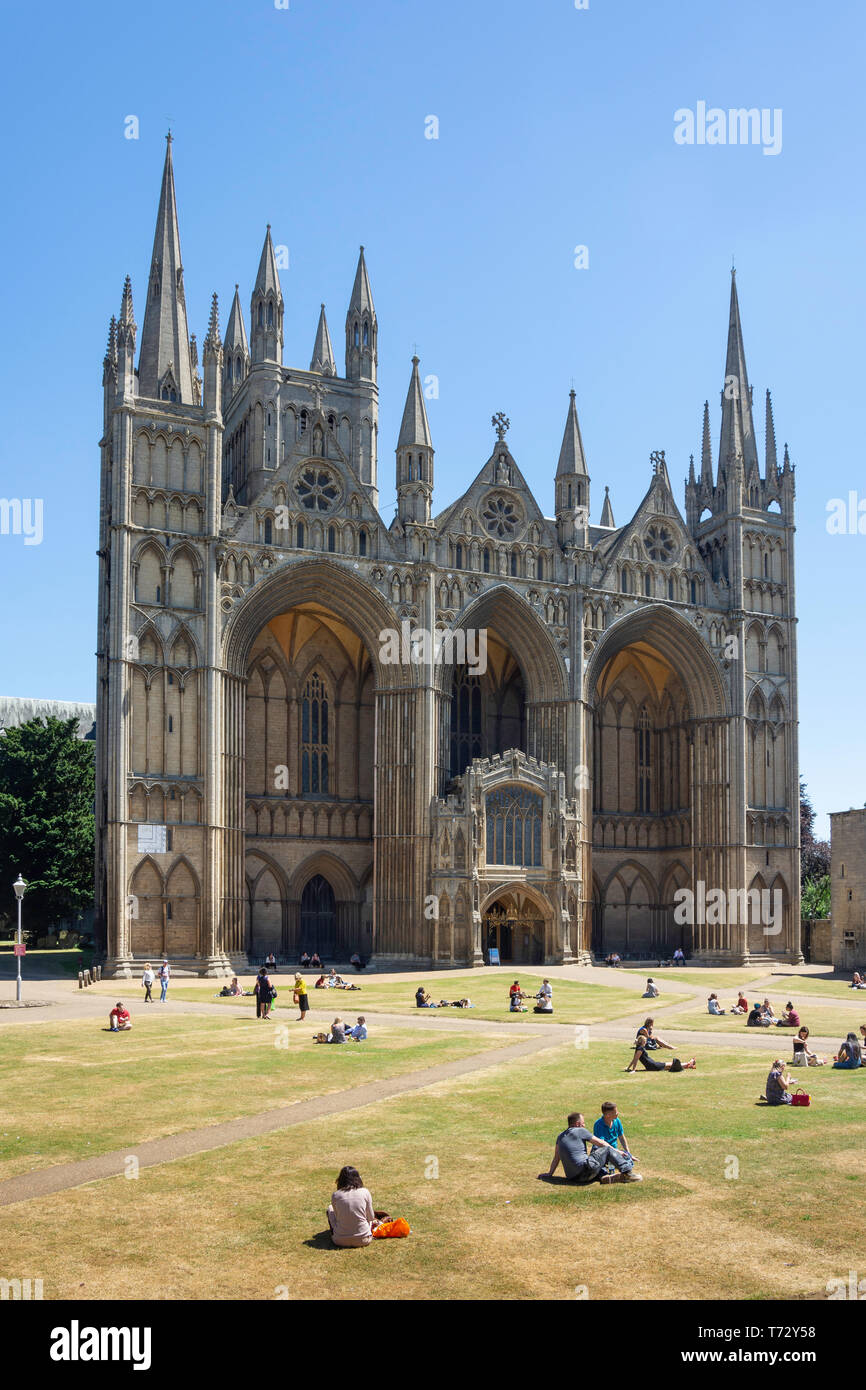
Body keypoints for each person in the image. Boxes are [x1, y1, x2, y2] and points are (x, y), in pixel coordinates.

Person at [539, 1112, 642, 1185]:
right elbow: (601, 1143)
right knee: (606, 1149)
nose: (584, 1125)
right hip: (585, 1171)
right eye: (583, 1123)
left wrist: (550, 1173)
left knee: (594, 1156)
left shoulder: (560, 1137)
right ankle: (628, 1173)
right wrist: (618, 1151)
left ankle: (605, 1178)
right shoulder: (580, 1130)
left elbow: (556, 1158)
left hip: (573, 1178)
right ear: (577, 1124)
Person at [326, 1166, 380, 1247]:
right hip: (364, 1239)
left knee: (330, 1208)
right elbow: (371, 1218)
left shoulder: (336, 1195)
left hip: (339, 1240)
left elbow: (337, 1218)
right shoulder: (365, 1192)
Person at [625, 1028, 695, 1073]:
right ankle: (689, 1063)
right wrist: (633, 1070)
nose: (646, 1042)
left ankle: (689, 1064)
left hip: (652, 1064)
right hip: (652, 1066)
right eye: (645, 1041)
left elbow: (634, 1059)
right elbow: (635, 1060)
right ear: (642, 1042)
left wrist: (628, 1068)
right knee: (671, 1065)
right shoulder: (640, 1049)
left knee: (670, 1065)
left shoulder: (638, 1048)